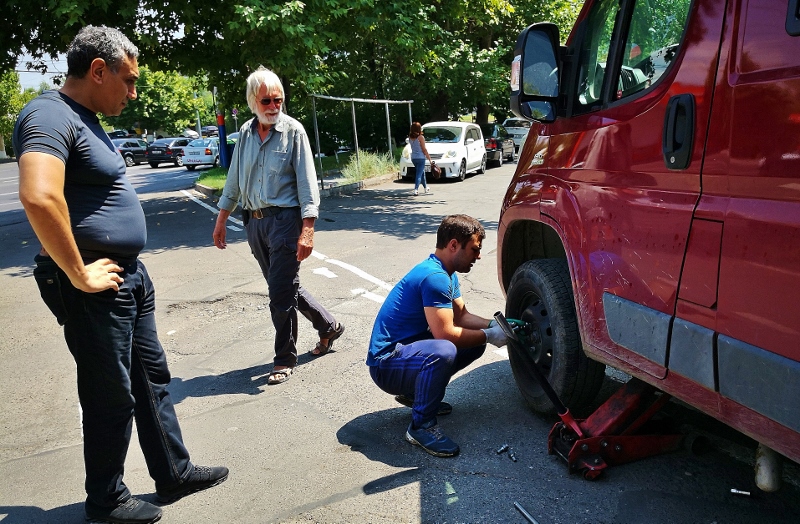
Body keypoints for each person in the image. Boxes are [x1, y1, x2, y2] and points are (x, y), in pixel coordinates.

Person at [14, 26, 228, 524]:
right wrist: (78, 273)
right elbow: (38, 195)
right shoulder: (48, 114)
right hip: (92, 284)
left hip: (126, 277)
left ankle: (173, 472)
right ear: (97, 70)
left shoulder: (85, 118)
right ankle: (106, 501)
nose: (133, 93)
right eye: (128, 81)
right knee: (110, 391)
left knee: (150, 380)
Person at [213, 67, 344, 385]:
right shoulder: (244, 133)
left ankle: (284, 358)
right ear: (252, 102)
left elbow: (307, 184)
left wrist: (308, 229)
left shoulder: (293, 131)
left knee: (279, 294)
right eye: (267, 100)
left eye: (278, 100)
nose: (273, 106)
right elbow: (234, 180)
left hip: (286, 222)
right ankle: (328, 326)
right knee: (284, 287)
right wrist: (221, 220)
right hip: (254, 224)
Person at [366, 214, 508, 457]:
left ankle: (416, 394)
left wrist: (496, 326)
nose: (479, 256)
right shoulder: (435, 278)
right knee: (445, 350)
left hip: (405, 352)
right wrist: (489, 335)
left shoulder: (447, 272)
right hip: (385, 364)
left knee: (472, 344)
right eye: (474, 249)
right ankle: (420, 426)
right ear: (454, 245)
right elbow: (447, 334)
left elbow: (462, 316)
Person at [408, 122, 433, 196]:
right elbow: (424, 149)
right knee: (419, 174)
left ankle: (426, 188)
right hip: (421, 158)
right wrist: (429, 158)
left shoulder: (410, 137)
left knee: (422, 172)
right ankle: (416, 189)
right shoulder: (421, 138)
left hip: (413, 158)